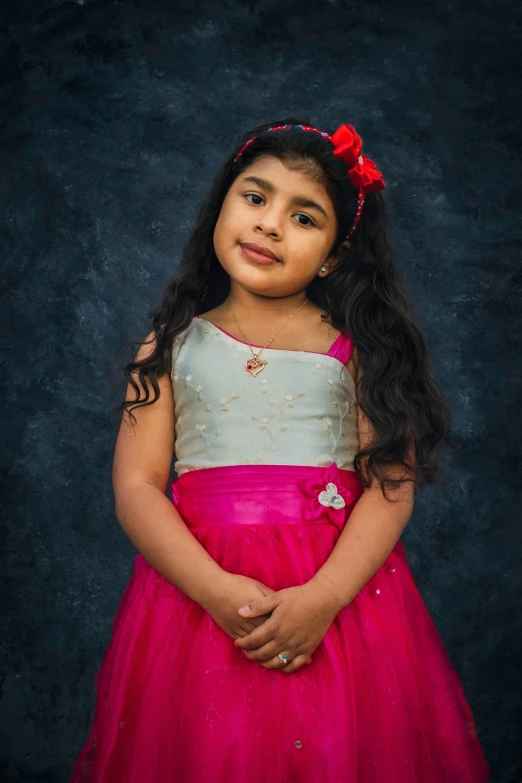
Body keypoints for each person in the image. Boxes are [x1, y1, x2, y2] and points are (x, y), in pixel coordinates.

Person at [70, 117, 490, 782]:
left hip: (335, 602)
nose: (269, 224)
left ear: (331, 255)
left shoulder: (360, 351)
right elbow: (137, 487)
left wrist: (321, 598)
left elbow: (391, 484)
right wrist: (216, 593)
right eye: (256, 197)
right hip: (198, 598)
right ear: (222, 206)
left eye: (303, 216)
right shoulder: (171, 345)